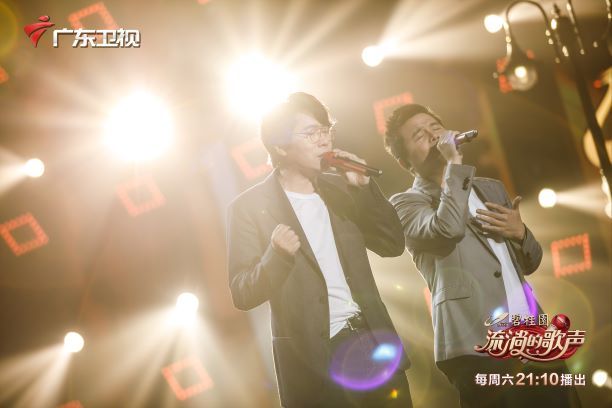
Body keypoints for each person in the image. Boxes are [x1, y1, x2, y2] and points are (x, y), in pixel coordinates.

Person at [384, 104, 581, 407]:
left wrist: (521, 233)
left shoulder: (491, 189)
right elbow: (447, 228)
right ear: (404, 161)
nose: (434, 137)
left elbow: (531, 262)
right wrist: (453, 165)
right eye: (419, 136)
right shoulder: (406, 203)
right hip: (477, 345)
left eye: (435, 127)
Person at [227, 92, 413, 407]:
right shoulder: (249, 208)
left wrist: (364, 188)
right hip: (316, 360)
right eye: (311, 133)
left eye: (326, 130)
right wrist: (276, 257)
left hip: (372, 340)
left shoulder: (341, 187)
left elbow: (392, 245)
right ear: (280, 146)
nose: (324, 140)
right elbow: (242, 293)